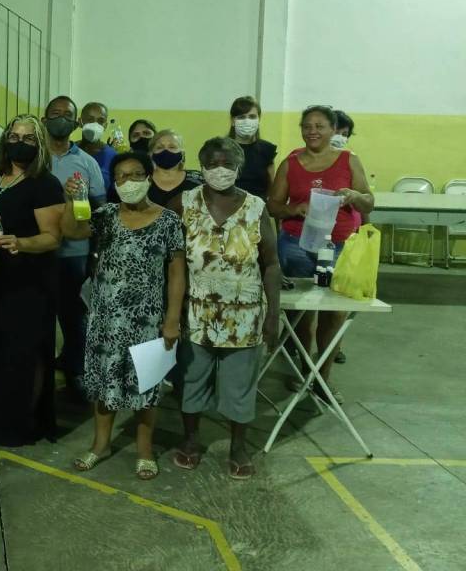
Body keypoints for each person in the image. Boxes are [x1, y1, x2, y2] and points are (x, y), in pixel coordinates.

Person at [61, 151, 185, 479]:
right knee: (106, 383)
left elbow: (177, 272)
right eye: (121, 176)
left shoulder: (168, 220)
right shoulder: (105, 216)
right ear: (114, 183)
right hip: (106, 319)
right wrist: (71, 201)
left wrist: (172, 319)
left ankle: (144, 450)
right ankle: (100, 444)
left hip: (148, 320)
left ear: (149, 177)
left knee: (146, 386)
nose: (129, 182)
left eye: (136, 174)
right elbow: (72, 231)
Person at [174, 137, 281, 480]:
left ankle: (238, 446)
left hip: (244, 315)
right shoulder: (184, 203)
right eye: (213, 163)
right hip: (195, 312)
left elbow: (271, 264)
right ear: (202, 166)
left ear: (239, 167)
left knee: (239, 384)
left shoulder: (256, 207)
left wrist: (273, 314)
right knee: (192, 380)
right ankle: (191, 440)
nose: (220, 170)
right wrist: (170, 312)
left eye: (227, 164)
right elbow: (172, 263)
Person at [267, 106, 374, 403]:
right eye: (307, 126)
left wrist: (354, 196)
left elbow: (369, 202)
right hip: (296, 244)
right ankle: (306, 370)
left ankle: (323, 378)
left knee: (335, 311)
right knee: (302, 311)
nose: (313, 131)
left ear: (332, 129)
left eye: (320, 126)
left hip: (339, 246)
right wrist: (294, 208)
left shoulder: (349, 160)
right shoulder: (290, 163)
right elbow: (273, 205)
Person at [0, 115, 64, 446]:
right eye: (14, 137)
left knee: (25, 354)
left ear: (40, 145)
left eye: (29, 138)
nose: (20, 143)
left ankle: (24, 421)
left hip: (31, 281)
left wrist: (21, 243)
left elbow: (52, 238)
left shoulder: (45, 184)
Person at [42, 96, 106, 399]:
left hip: (74, 254)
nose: (60, 119)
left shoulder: (87, 162)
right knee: (39, 315)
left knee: (74, 316)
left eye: (67, 115)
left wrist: (95, 253)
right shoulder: (34, 157)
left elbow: (100, 210)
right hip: (38, 251)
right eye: (54, 114)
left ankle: (76, 371)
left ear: (77, 123)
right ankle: (39, 371)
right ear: (44, 120)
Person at [330, 109, 363, 365]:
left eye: (345, 134)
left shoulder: (352, 161)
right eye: (337, 132)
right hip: (313, 238)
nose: (340, 138)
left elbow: (365, 199)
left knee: (340, 296)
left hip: (347, 235)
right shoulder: (303, 160)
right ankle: (298, 343)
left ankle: (333, 346)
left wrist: (365, 230)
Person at [228, 95, 278, 200]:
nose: (247, 121)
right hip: (228, 205)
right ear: (233, 121)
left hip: (258, 206)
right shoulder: (222, 149)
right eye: (241, 117)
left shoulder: (267, 150)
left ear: (259, 119)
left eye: (252, 117)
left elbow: (272, 186)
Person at [147, 129, 202, 212]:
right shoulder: (142, 181)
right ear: (151, 154)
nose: (166, 151)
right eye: (159, 147)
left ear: (182, 154)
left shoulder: (198, 179)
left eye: (172, 147)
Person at [78, 101, 117, 193]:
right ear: (80, 122)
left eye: (101, 121)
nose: (95, 124)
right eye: (90, 119)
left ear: (105, 126)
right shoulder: (69, 151)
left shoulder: (113, 156)